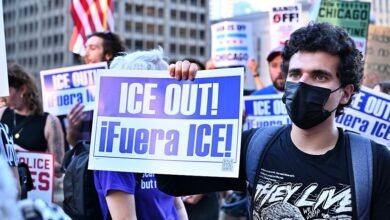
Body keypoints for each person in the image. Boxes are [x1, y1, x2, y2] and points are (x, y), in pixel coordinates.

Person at [157, 22, 390, 219]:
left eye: (319, 76)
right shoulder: (253, 146)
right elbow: (172, 182)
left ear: (346, 93)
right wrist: (180, 100)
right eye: (296, 74)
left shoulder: (374, 162)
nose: (302, 85)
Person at [93, 48, 188, 220]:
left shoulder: (160, 140)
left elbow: (176, 205)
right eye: (165, 86)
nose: (173, 91)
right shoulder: (114, 149)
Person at [0, 64, 64, 178]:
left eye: (7, 90)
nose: (3, 96)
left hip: (35, 191)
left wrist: (26, 155)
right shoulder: (2, 114)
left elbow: (60, 170)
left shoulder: (49, 121)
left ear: (22, 90)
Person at [66, 32, 126, 147]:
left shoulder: (120, 87)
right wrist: (72, 129)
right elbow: (72, 143)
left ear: (108, 54)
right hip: (83, 161)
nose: (86, 53)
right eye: (85, 48)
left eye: (92, 48)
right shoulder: (79, 92)